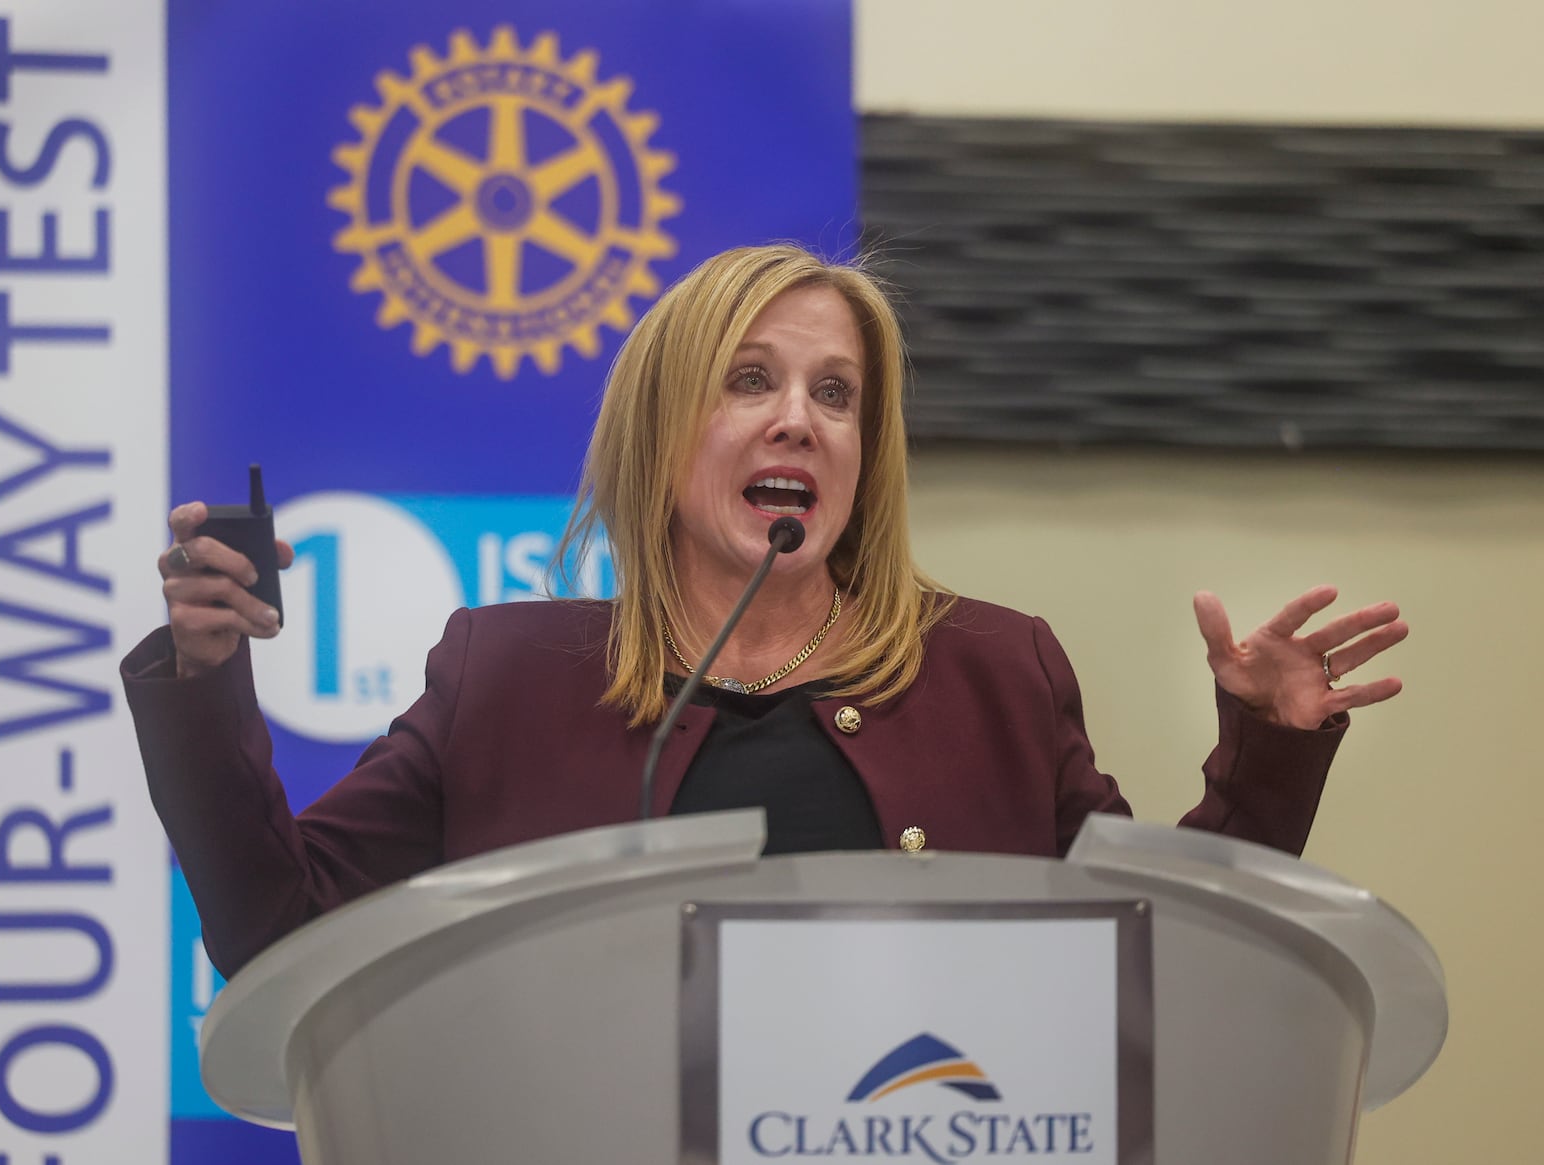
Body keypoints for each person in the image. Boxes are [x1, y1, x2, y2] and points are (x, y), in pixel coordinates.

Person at [123, 244, 1407, 978]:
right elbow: (276, 930)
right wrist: (204, 672)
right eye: (749, 380)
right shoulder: (503, 674)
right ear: (661, 432)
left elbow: (1153, 962)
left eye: (835, 394)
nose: (799, 418)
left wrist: (1269, 752)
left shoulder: (993, 670)